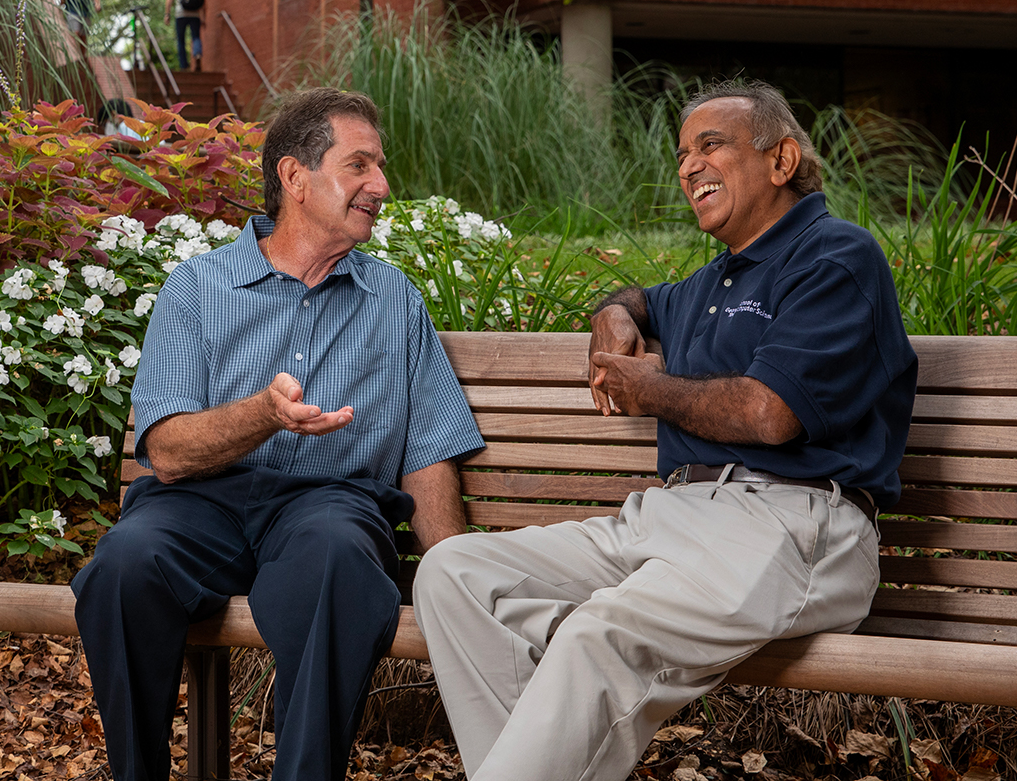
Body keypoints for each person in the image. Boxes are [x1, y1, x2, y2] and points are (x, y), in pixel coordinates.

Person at [414, 78, 916, 781]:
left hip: (795, 525)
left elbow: (772, 414)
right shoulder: (717, 283)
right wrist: (614, 314)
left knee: (596, 637)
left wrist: (650, 389)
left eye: (712, 145)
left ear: (781, 160)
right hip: (674, 520)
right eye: (681, 154)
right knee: (455, 573)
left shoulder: (834, 258)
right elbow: (639, 299)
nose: (687, 167)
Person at [72, 87, 485, 781]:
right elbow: (167, 450)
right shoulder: (197, 289)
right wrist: (262, 413)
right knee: (120, 569)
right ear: (296, 178)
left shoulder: (393, 300)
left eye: (380, 168)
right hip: (198, 506)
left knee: (337, 561)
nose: (381, 186)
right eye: (360, 166)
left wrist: (459, 581)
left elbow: (429, 452)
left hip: (329, 506)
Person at [171, 0, 205, 70]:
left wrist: (167, 14)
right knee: (196, 37)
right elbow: (203, 1)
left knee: (181, 40)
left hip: (180, 14)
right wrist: (203, 16)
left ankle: (183, 66)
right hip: (195, 14)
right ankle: (197, 53)